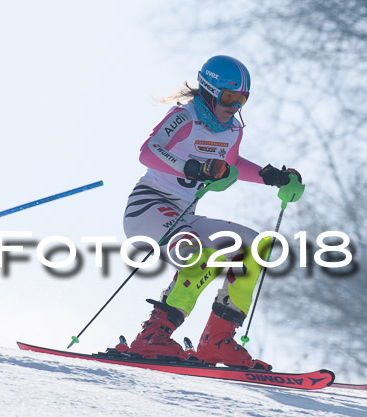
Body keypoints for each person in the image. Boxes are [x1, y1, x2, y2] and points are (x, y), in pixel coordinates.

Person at [116, 55, 301, 370]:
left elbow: (230, 165)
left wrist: (272, 177)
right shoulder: (184, 117)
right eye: (229, 97)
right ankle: (153, 336)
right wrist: (192, 166)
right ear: (209, 90)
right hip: (148, 207)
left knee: (255, 246)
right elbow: (148, 152)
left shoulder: (232, 130)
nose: (235, 106)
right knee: (197, 253)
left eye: (242, 99)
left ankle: (217, 342)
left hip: (184, 215)